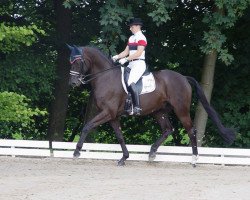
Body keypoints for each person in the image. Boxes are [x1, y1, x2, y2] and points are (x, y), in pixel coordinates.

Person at [112, 18, 147, 115]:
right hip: (131, 64)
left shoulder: (141, 37)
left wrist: (126, 59)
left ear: (137, 26)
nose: (130, 29)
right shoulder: (131, 38)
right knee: (121, 80)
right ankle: (126, 105)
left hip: (139, 64)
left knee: (131, 82)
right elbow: (126, 52)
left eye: (131, 27)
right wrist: (117, 57)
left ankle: (137, 107)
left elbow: (139, 53)